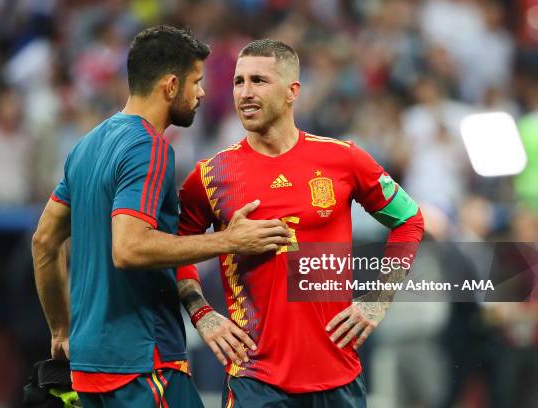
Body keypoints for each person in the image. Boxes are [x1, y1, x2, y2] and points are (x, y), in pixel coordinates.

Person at [32, 27, 290, 408]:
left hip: (89, 368)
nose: (201, 93)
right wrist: (232, 241)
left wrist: (59, 328)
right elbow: (129, 248)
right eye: (196, 82)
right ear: (171, 85)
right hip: (142, 363)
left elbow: (44, 241)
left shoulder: (87, 145)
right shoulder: (149, 148)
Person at [178, 39, 425, 407]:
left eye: (258, 80)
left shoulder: (343, 160)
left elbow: (410, 220)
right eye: (238, 81)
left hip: (338, 378)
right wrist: (201, 314)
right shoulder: (211, 176)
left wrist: (377, 299)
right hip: (255, 381)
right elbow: (172, 249)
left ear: (293, 91)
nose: (244, 93)